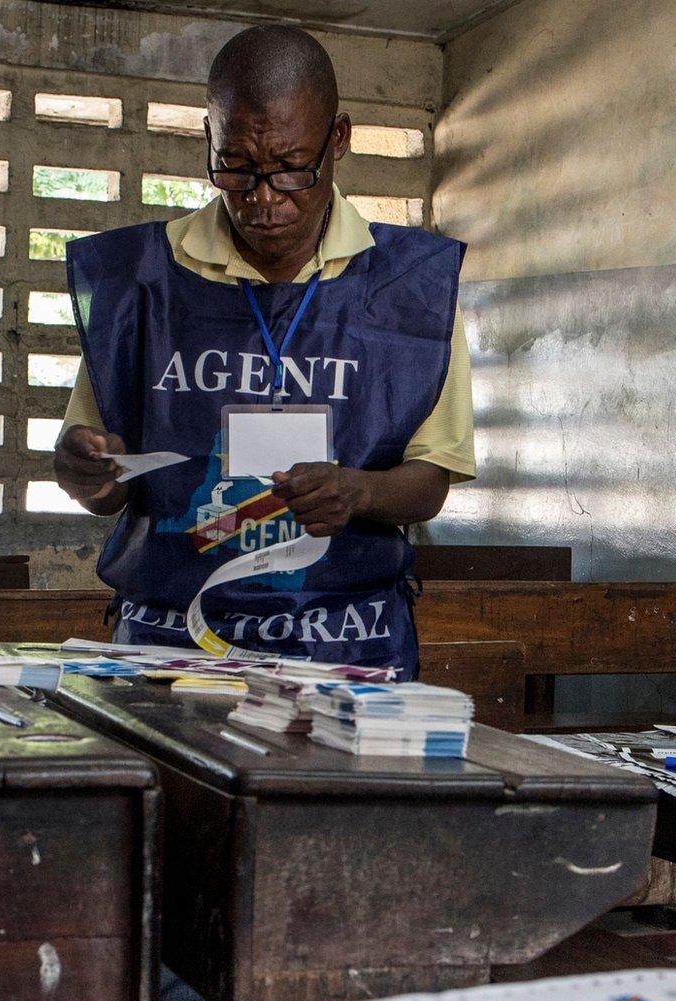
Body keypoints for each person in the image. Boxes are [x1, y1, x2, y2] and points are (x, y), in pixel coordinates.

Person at [52, 24, 474, 678]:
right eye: (238, 169)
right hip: (170, 647)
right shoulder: (140, 283)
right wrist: (85, 474)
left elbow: (430, 482)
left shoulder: (408, 292)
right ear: (209, 140)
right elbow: (101, 475)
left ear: (339, 141)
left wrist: (355, 492)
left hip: (346, 647)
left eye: (290, 168)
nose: (264, 201)